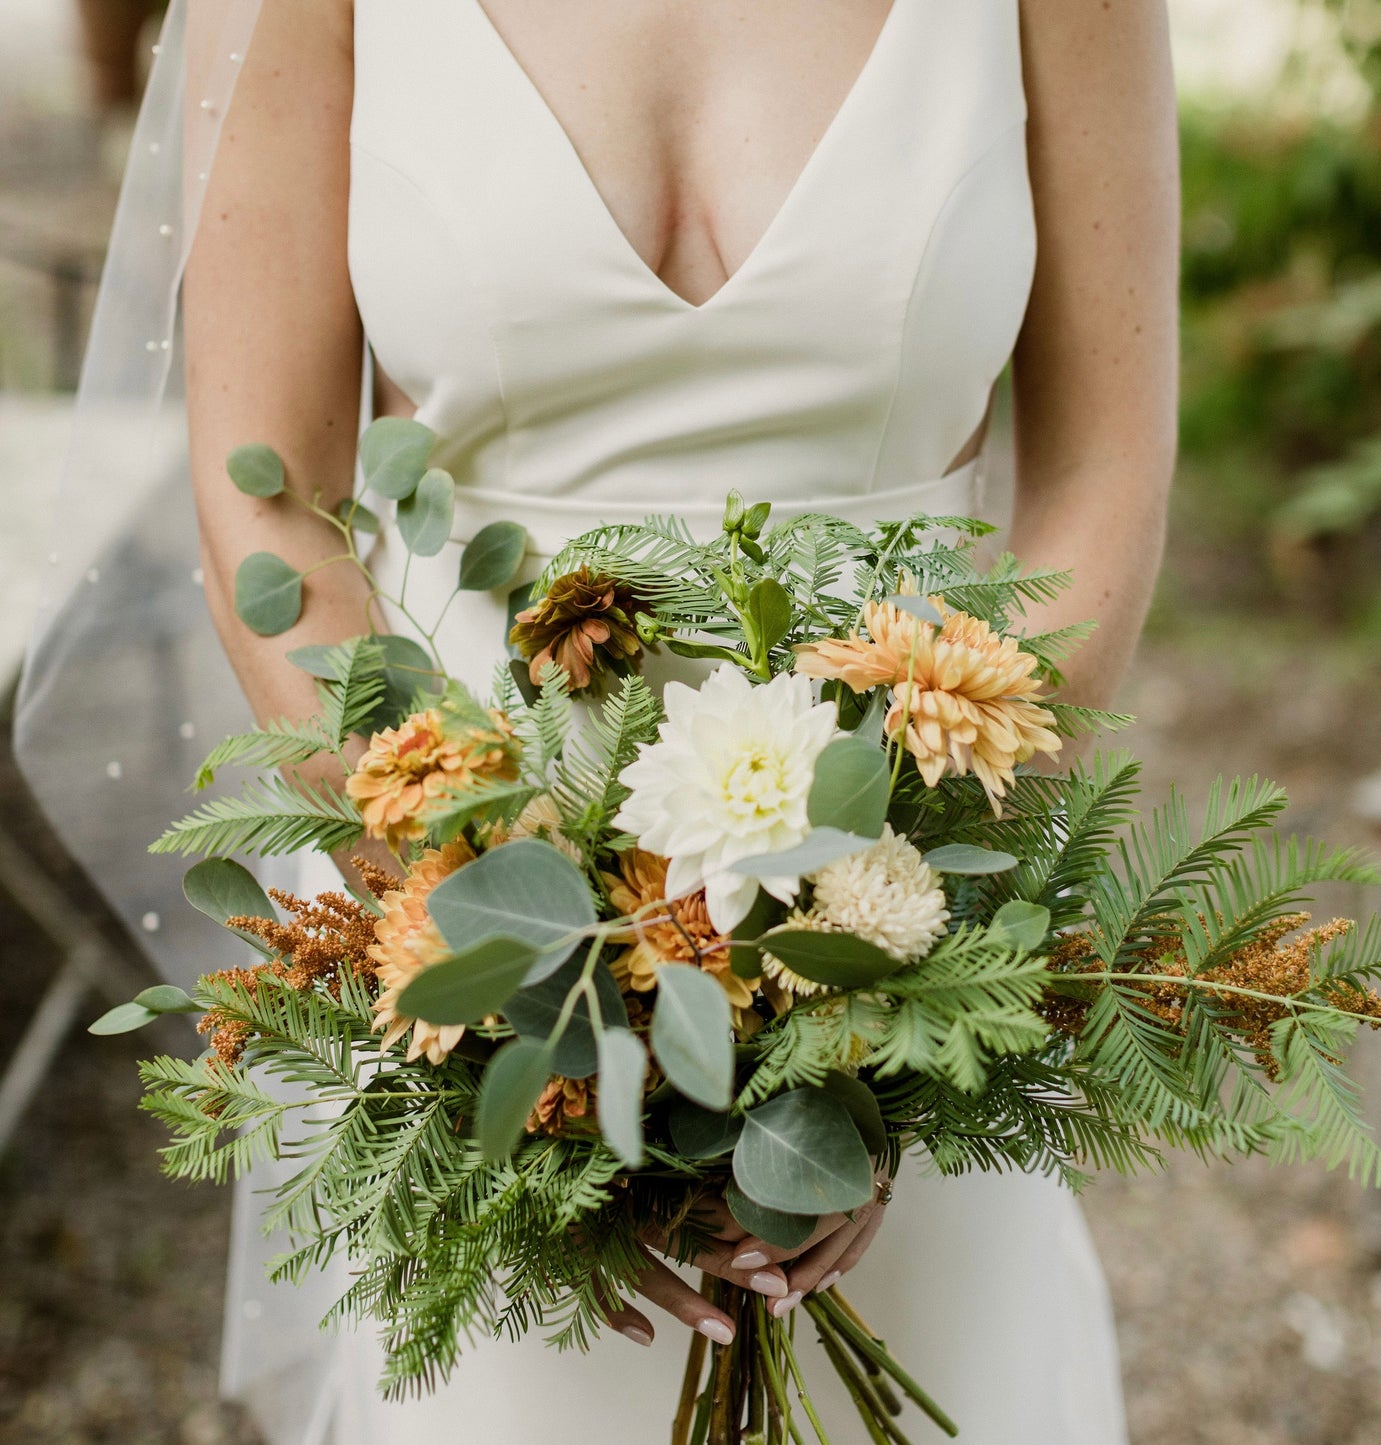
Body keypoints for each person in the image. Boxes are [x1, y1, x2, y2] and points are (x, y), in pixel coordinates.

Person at [45, 0, 1180, 1438]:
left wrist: (885, 1008)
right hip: (495, 1012)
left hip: (905, 942)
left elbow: (1102, 473)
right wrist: (527, 990)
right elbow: (268, 512)